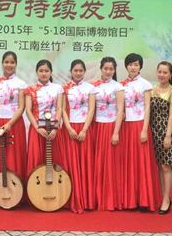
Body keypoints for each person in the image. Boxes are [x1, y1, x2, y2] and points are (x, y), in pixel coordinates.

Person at [120, 53, 161, 212]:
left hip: (139, 125)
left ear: (140, 67)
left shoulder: (145, 84)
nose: (133, 67)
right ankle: (129, 200)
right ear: (126, 66)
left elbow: (147, 108)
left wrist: (144, 129)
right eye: (130, 64)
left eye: (136, 64)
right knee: (128, 163)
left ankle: (144, 200)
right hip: (125, 127)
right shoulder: (121, 85)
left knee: (141, 162)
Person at [0, 51, 27, 197]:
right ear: (2, 63)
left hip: (15, 124)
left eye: (12, 62)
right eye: (6, 62)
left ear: (16, 64)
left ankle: (16, 193)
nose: (9, 65)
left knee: (14, 156)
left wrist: (9, 124)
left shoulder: (21, 84)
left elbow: (21, 106)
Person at [60, 59, 97, 213]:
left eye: (81, 70)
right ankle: (71, 199)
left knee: (86, 163)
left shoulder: (90, 88)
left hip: (85, 129)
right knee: (71, 163)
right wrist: (69, 128)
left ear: (84, 72)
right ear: (71, 71)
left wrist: (84, 130)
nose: (78, 73)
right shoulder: (64, 88)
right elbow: (62, 109)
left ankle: (87, 200)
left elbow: (91, 110)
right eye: (75, 70)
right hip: (69, 129)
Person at [92, 57, 124, 211]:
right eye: (106, 68)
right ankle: (98, 198)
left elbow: (120, 110)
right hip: (97, 127)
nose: (108, 71)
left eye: (111, 69)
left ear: (115, 70)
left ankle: (112, 199)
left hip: (111, 126)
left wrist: (116, 132)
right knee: (98, 163)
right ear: (101, 69)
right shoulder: (94, 86)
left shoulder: (118, 87)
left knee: (111, 164)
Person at [25, 60, 64, 177]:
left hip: (54, 129)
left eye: (46, 71)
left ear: (51, 72)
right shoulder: (30, 89)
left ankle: (57, 185)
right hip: (37, 129)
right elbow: (28, 111)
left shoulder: (58, 88)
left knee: (56, 160)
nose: (44, 73)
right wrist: (37, 128)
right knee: (36, 160)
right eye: (41, 71)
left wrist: (55, 129)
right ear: (36, 72)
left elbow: (59, 109)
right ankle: (35, 186)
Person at [149, 61, 172, 214]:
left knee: (166, 166)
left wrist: (168, 136)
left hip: (167, 132)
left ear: (170, 74)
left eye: (165, 72)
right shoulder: (151, 90)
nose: (162, 75)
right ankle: (161, 196)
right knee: (158, 166)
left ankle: (166, 199)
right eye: (159, 72)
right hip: (152, 132)